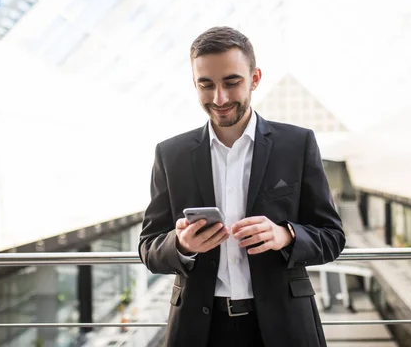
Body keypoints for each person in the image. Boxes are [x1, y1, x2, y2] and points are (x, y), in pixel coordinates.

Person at [138, 26, 345, 347]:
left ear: (255, 78)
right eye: (206, 85)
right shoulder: (171, 154)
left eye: (231, 82)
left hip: (285, 327)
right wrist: (182, 245)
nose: (219, 98)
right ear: (194, 84)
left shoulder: (297, 144)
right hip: (200, 330)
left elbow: (332, 237)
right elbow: (149, 247)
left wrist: (285, 235)